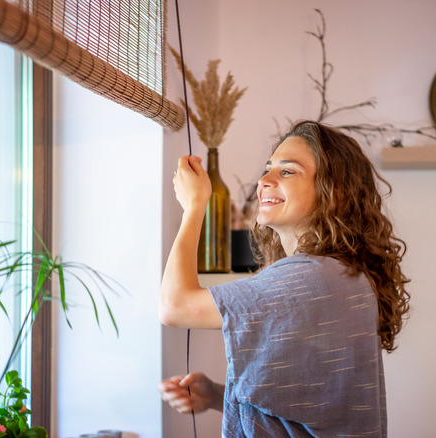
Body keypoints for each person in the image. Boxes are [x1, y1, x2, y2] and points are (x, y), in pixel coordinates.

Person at [158, 120, 411, 437]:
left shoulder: (310, 277)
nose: (264, 180)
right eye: (268, 168)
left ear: (336, 195)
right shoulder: (339, 273)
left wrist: (194, 207)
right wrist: (216, 395)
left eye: (287, 171)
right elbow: (314, 407)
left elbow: (174, 306)